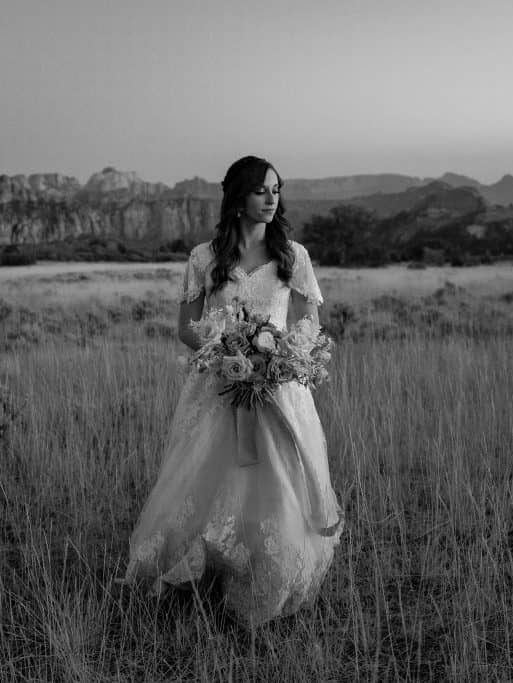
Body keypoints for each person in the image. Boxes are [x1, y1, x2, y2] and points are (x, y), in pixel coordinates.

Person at [122, 155, 344, 627]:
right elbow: (186, 327)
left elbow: (309, 323)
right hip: (219, 389)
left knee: (276, 485)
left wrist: (279, 359)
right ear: (238, 197)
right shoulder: (204, 258)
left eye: (277, 190)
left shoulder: (293, 256)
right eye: (261, 190)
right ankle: (206, 573)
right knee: (209, 480)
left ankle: (269, 579)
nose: (271, 199)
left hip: (281, 391)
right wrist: (228, 353)